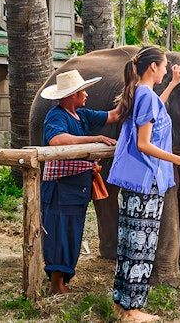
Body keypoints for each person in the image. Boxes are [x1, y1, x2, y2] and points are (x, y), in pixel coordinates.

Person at [107, 46, 180, 323]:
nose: (165, 70)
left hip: (135, 181)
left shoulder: (141, 93)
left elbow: (154, 113)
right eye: (164, 67)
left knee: (129, 245)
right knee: (141, 246)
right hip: (146, 181)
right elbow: (144, 143)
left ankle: (121, 304)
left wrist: (173, 83)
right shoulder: (145, 96)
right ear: (152, 68)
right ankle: (133, 311)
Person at [39, 69, 120, 295]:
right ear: (72, 95)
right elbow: (56, 140)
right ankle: (56, 284)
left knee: (73, 232)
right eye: (83, 91)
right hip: (60, 188)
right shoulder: (56, 116)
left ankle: (63, 280)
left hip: (77, 188)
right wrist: (94, 139)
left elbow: (113, 116)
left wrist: (134, 90)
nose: (86, 95)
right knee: (59, 232)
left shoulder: (82, 115)